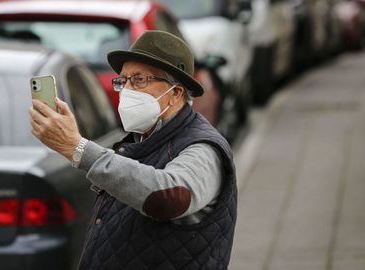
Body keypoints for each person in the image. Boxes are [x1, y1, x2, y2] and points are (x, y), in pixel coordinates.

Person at [29, 30, 237, 270]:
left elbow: (169, 197)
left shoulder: (202, 146)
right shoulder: (139, 139)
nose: (127, 90)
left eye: (139, 80)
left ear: (176, 93)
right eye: (123, 81)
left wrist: (78, 148)